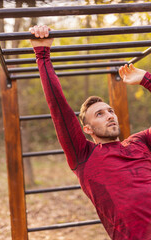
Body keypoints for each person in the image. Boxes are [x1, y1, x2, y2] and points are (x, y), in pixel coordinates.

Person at [29, 25, 151, 240]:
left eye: (110, 111)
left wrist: (145, 79)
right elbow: (59, 109)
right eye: (100, 114)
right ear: (87, 129)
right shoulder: (84, 155)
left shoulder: (141, 142)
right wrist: (42, 53)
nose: (110, 115)